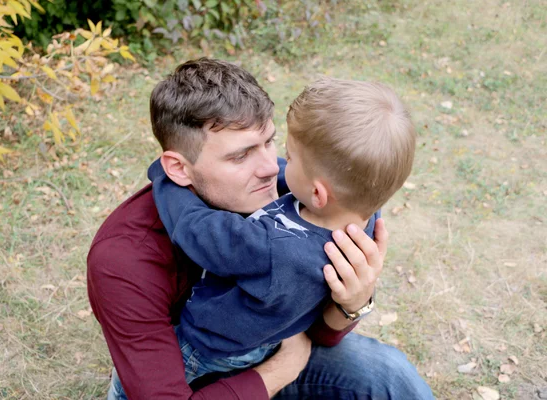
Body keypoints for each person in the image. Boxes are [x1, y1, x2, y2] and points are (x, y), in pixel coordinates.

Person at [87, 58, 434, 399]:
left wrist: (352, 302)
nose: (272, 168)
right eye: (241, 156)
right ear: (177, 169)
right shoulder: (122, 262)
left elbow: (321, 334)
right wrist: (279, 371)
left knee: (388, 373)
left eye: (269, 141)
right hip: (206, 378)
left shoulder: (305, 192)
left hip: (268, 344)